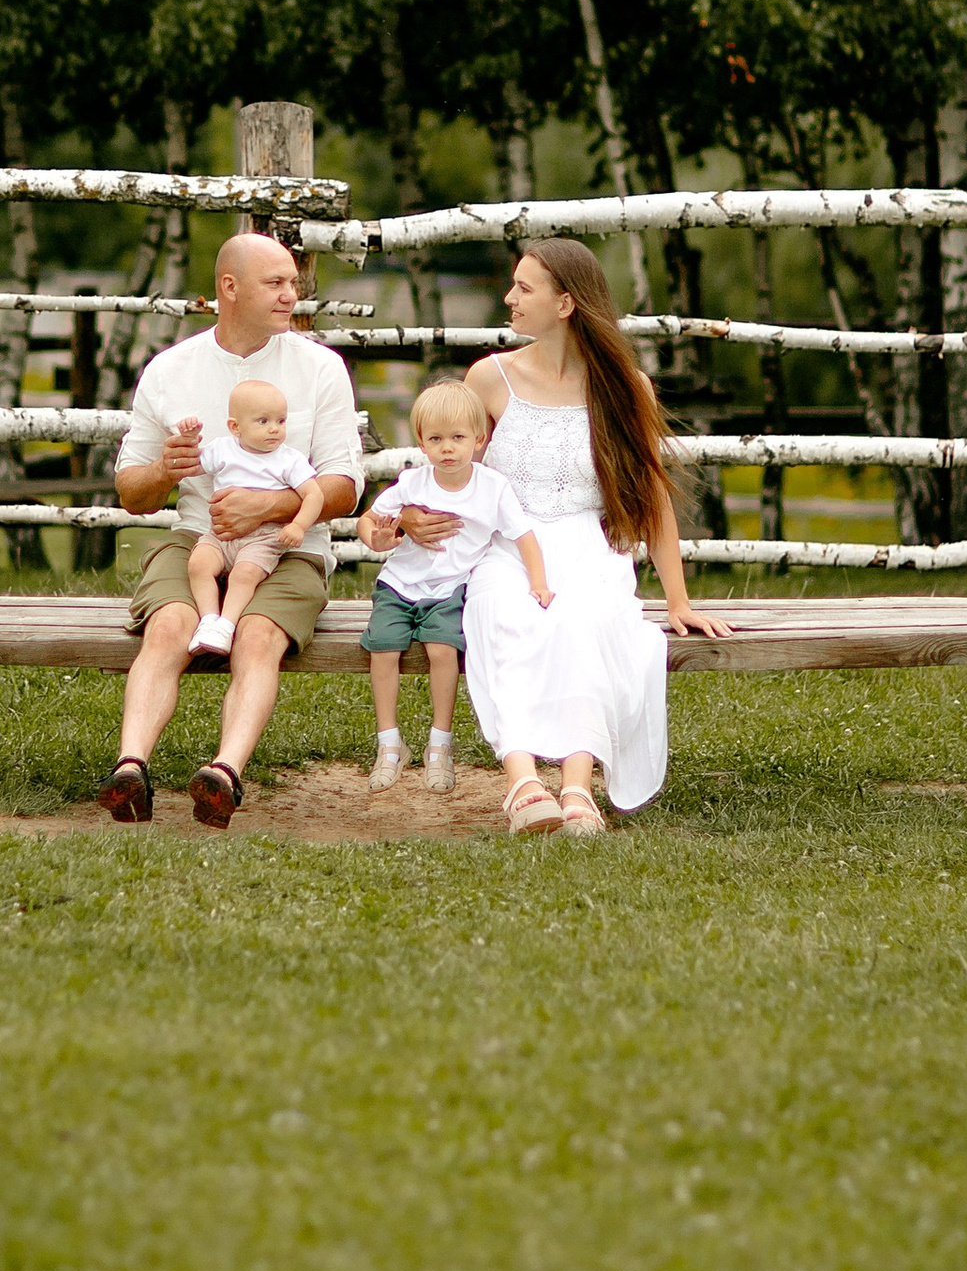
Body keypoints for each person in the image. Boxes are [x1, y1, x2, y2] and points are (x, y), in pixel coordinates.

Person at [399, 238, 731, 836]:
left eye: (524, 287)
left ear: (566, 304)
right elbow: (446, 464)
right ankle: (523, 781)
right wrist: (409, 516)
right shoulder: (490, 378)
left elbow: (653, 499)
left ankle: (578, 789)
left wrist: (677, 601)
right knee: (505, 613)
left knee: (588, 621)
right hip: (507, 543)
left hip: (588, 546)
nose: (510, 297)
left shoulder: (625, 386)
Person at [101, 230, 363, 828]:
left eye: (294, 283)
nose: (291, 295)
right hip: (198, 538)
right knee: (169, 627)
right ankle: (129, 769)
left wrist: (267, 507)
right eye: (276, 283)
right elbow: (131, 493)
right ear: (229, 288)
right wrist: (166, 470)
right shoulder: (171, 371)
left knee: (258, 635)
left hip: (291, 548)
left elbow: (345, 488)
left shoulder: (321, 368)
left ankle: (223, 775)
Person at [358, 377, 549, 794]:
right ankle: (389, 743)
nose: (447, 448)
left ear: (479, 440)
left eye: (458, 437)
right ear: (421, 443)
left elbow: (524, 536)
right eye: (436, 438)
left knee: (444, 651)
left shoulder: (492, 487)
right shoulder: (412, 483)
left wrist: (539, 583)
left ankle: (439, 743)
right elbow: (369, 519)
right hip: (399, 584)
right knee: (384, 649)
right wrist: (376, 538)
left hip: (450, 587)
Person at [183, 379, 325, 654]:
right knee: (198, 564)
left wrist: (298, 524)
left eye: (281, 421)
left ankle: (227, 624)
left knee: (244, 574)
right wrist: (189, 439)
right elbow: (191, 465)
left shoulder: (288, 460)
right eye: (263, 421)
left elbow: (314, 494)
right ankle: (209, 619)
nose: (275, 429)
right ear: (235, 427)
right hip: (221, 533)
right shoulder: (223, 449)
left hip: (264, 537)